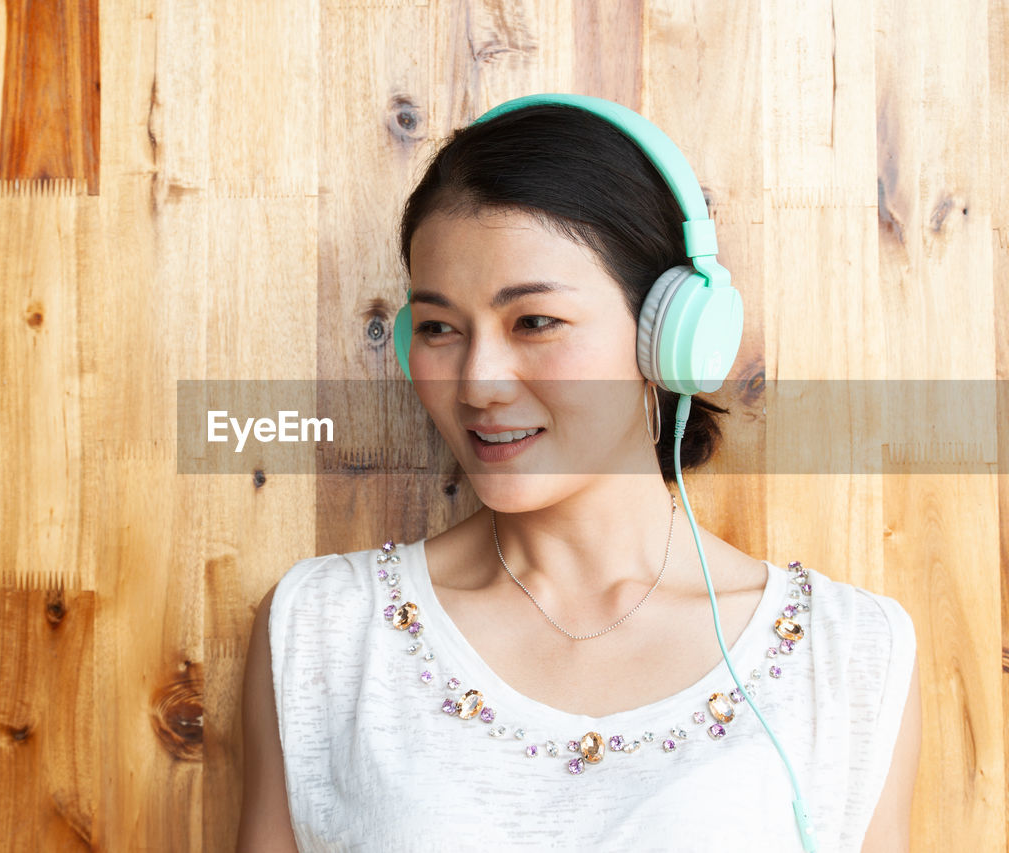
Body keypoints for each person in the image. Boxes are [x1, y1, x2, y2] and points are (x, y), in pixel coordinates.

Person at [238, 99, 921, 852]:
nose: (479, 383)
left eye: (534, 322)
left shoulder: (847, 651)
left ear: (670, 339)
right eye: (438, 327)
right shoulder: (326, 629)